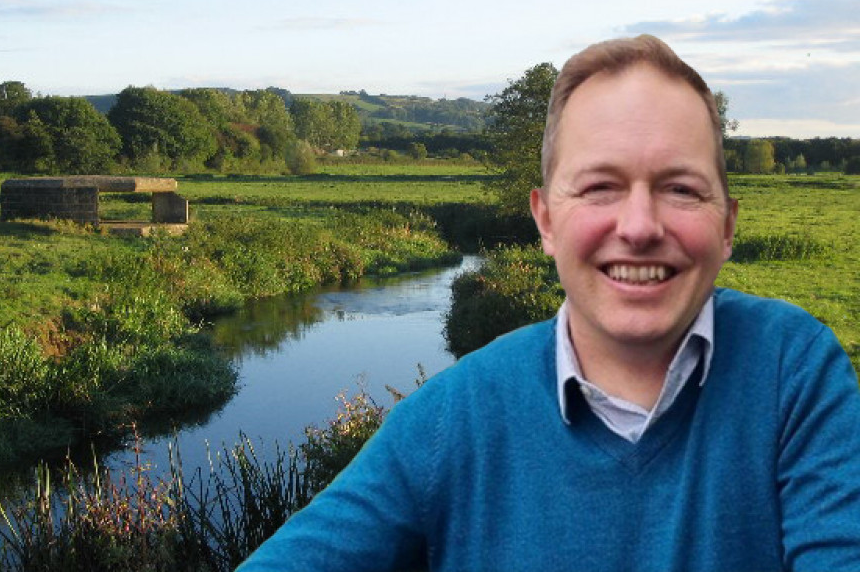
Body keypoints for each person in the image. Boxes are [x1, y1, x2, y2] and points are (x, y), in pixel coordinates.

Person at [237, 35, 860, 571]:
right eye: (599, 187)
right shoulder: (454, 417)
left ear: (726, 226)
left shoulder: (792, 370)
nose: (639, 225)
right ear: (546, 222)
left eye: (680, 188)